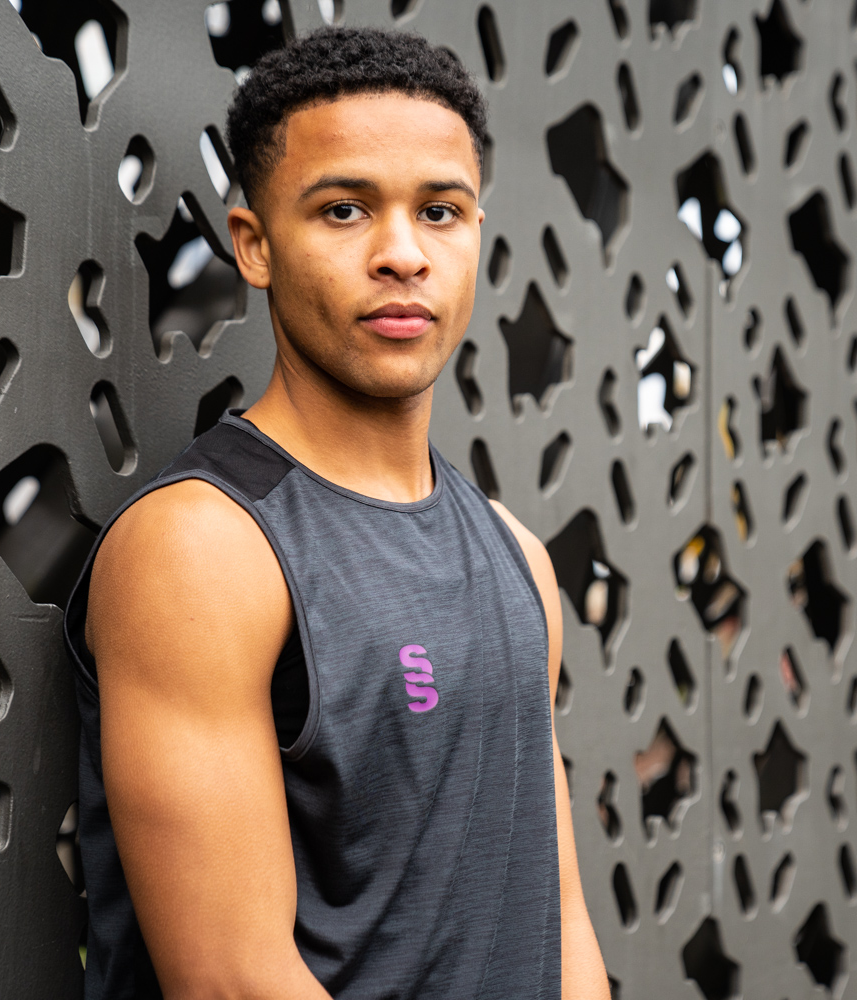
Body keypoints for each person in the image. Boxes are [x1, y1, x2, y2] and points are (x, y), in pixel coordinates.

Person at [64, 26, 610, 1000]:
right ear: (255, 245)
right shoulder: (203, 548)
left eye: (440, 211)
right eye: (345, 209)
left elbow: (558, 918)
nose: (402, 255)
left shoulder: (519, 557)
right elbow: (233, 982)